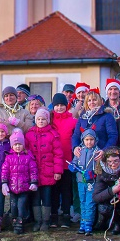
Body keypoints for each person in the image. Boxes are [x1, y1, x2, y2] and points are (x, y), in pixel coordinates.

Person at [25, 108, 63, 231]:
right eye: (38, 119)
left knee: (47, 197)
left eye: (43, 119)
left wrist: (57, 171)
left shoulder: (53, 134)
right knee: (35, 197)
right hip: (33, 172)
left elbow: (58, 154)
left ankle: (46, 221)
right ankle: (37, 221)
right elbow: (25, 151)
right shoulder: (29, 134)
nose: (41, 121)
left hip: (48, 171)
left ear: (47, 120)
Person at [1, 129, 39, 235]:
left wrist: (34, 182)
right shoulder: (8, 158)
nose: (18, 146)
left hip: (24, 187)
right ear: (12, 146)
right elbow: (5, 171)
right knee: (13, 206)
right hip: (13, 188)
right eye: (15, 144)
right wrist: (4, 183)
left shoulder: (28, 157)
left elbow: (33, 171)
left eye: (20, 144)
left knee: (21, 206)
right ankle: (14, 221)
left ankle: (20, 223)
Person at [50, 94, 77, 229]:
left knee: (66, 190)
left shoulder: (72, 121)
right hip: (53, 162)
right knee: (54, 190)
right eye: (57, 105)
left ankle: (66, 215)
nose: (59, 108)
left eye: (62, 105)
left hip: (68, 160)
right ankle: (53, 216)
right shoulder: (50, 120)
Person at [68, 129, 100, 235]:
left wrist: (93, 173)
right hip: (80, 181)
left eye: (91, 139)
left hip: (91, 182)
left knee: (89, 203)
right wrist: (72, 166)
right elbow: (75, 162)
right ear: (83, 140)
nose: (89, 142)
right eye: (86, 139)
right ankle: (82, 223)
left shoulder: (97, 152)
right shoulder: (79, 151)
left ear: (95, 140)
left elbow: (100, 168)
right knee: (82, 202)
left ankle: (88, 225)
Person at [93, 147, 120, 237]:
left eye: (116, 161)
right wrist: (112, 190)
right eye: (109, 161)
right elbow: (96, 197)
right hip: (112, 198)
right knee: (103, 208)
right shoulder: (102, 173)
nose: (113, 164)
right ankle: (118, 223)